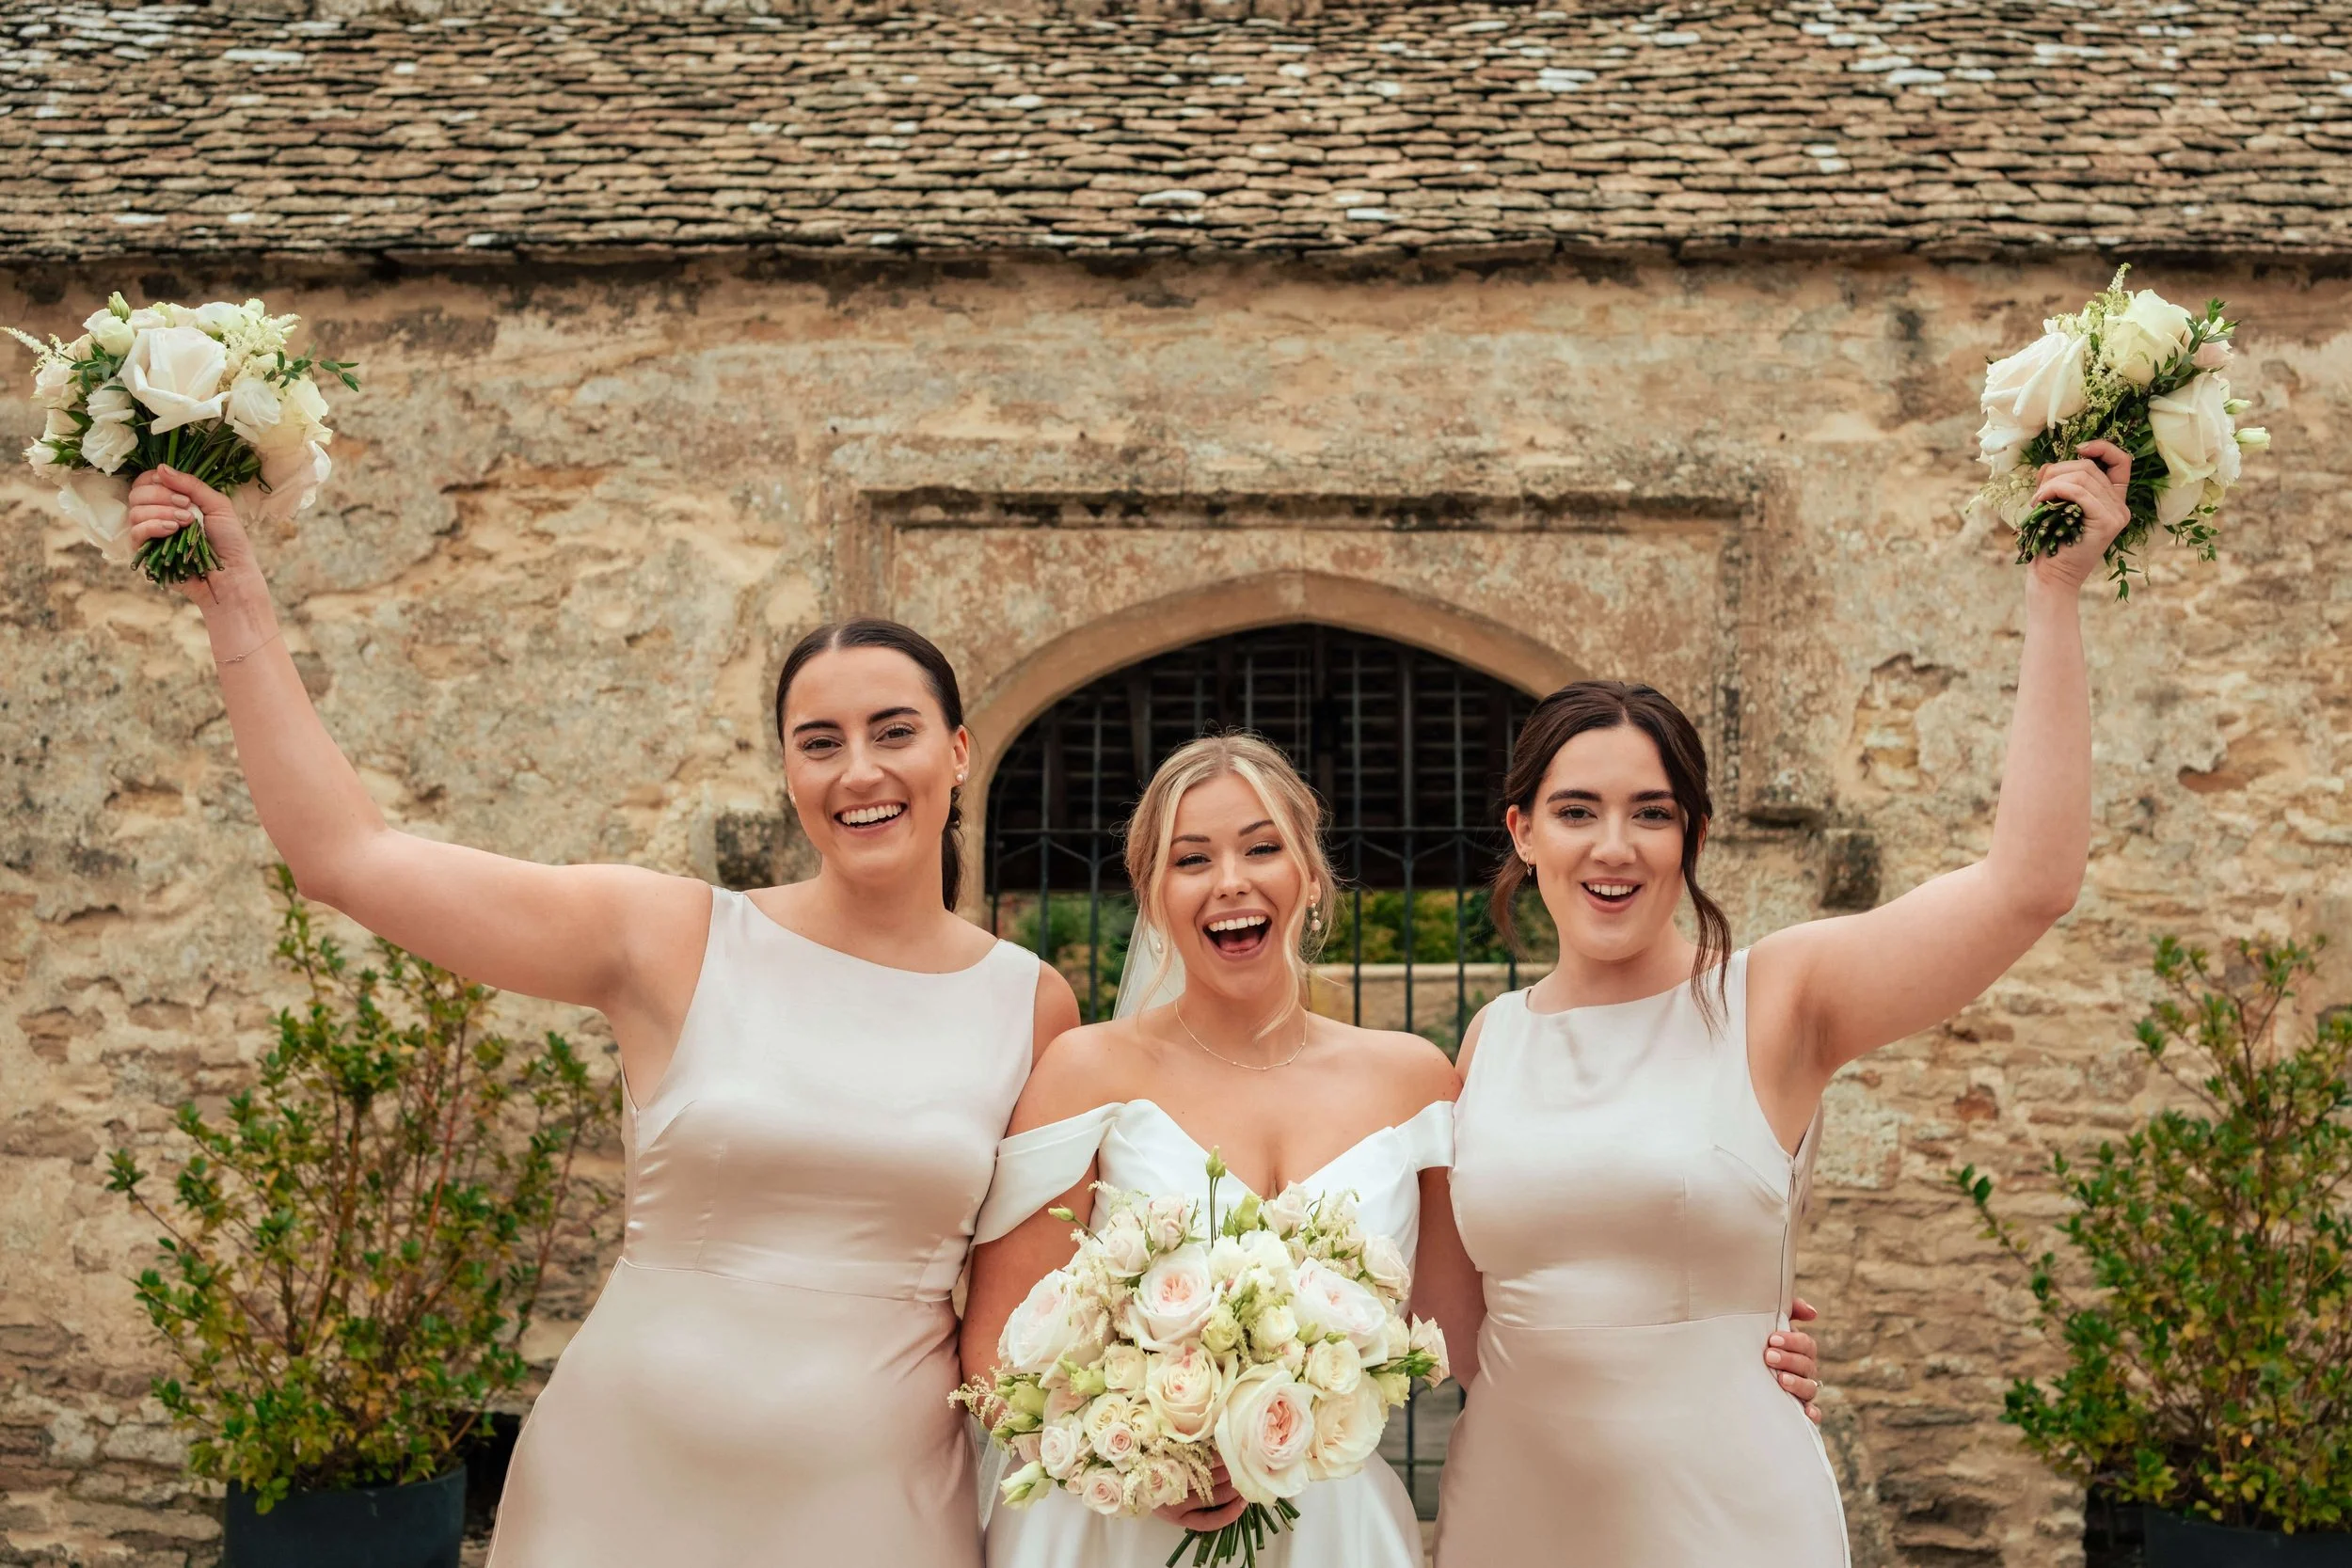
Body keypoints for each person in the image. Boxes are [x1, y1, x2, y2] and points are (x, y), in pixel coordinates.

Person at [119, 469, 1077, 1567]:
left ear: (957, 751)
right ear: (787, 771)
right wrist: (235, 603)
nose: (858, 768)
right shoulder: (666, 937)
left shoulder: (1032, 1005)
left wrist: (1161, 1442)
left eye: (892, 730)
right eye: (819, 740)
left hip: (877, 1505)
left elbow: (1018, 1331)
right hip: (626, 1483)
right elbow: (349, 859)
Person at [1432, 443, 2137, 1568]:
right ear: (1523, 832)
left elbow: (2027, 885)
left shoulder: (1782, 995)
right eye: (1576, 810)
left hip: (1726, 1513)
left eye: (1651, 813)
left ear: (1693, 838)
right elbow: (1453, 1322)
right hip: (1514, 1511)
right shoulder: (1488, 1041)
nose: (1614, 847)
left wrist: (2051, 595)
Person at [962, 734, 1823, 1568]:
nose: (1230, 881)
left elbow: (1489, 1332)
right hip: (1116, 1534)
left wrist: (1724, 1353)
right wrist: (1143, 1462)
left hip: (1334, 1533)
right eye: (1191, 859)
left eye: (1262, 848)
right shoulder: (1086, 1069)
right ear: (1152, 894)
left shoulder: (1412, 1078)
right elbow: (996, 1351)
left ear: (1308, 878)